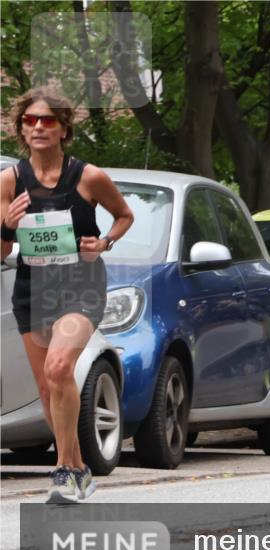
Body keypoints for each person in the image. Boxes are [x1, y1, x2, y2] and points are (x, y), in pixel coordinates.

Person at [0, 88, 133, 502]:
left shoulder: (88, 176)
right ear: (22, 128)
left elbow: (124, 216)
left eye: (48, 120)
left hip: (80, 286)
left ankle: (63, 470)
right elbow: (2, 250)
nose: (38, 127)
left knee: (60, 369)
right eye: (30, 120)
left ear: (63, 128)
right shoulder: (9, 180)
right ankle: (78, 469)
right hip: (32, 288)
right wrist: (7, 224)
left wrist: (104, 242)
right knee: (46, 388)